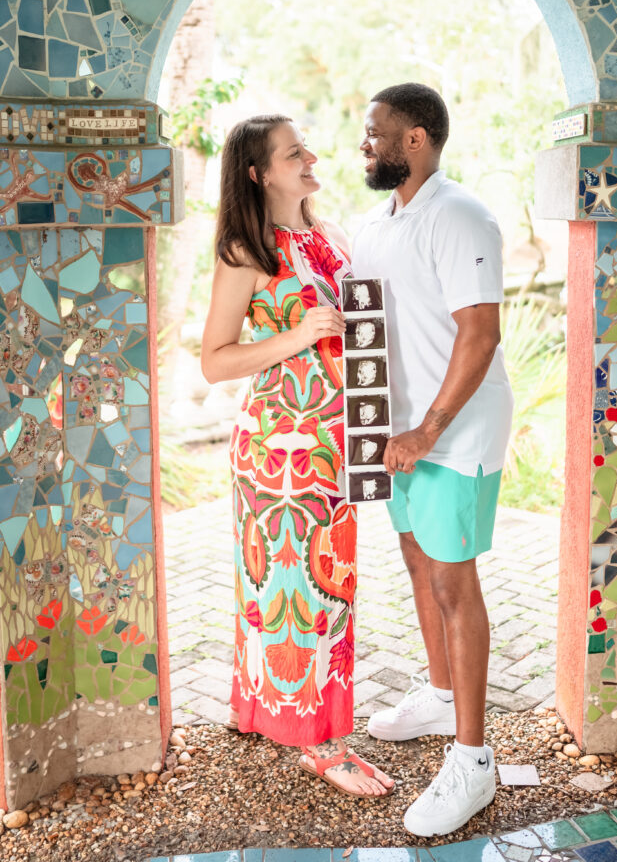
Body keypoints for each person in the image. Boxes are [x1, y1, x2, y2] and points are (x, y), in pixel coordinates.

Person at [201, 114, 394, 798]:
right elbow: (214, 362)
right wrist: (296, 336)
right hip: (277, 451)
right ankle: (320, 745)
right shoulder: (244, 252)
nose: (311, 157)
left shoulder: (330, 236)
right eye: (293, 153)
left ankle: (265, 712)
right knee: (286, 591)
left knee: (326, 587)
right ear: (259, 173)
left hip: (337, 445)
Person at [352, 83, 513, 834]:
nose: (365, 144)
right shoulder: (378, 224)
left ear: (414, 139)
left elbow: (479, 334)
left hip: (454, 436)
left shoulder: (458, 215)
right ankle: (442, 697)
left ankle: (472, 762)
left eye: (374, 132)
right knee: (418, 565)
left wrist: (430, 428)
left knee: (453, 584)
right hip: (401, 435)